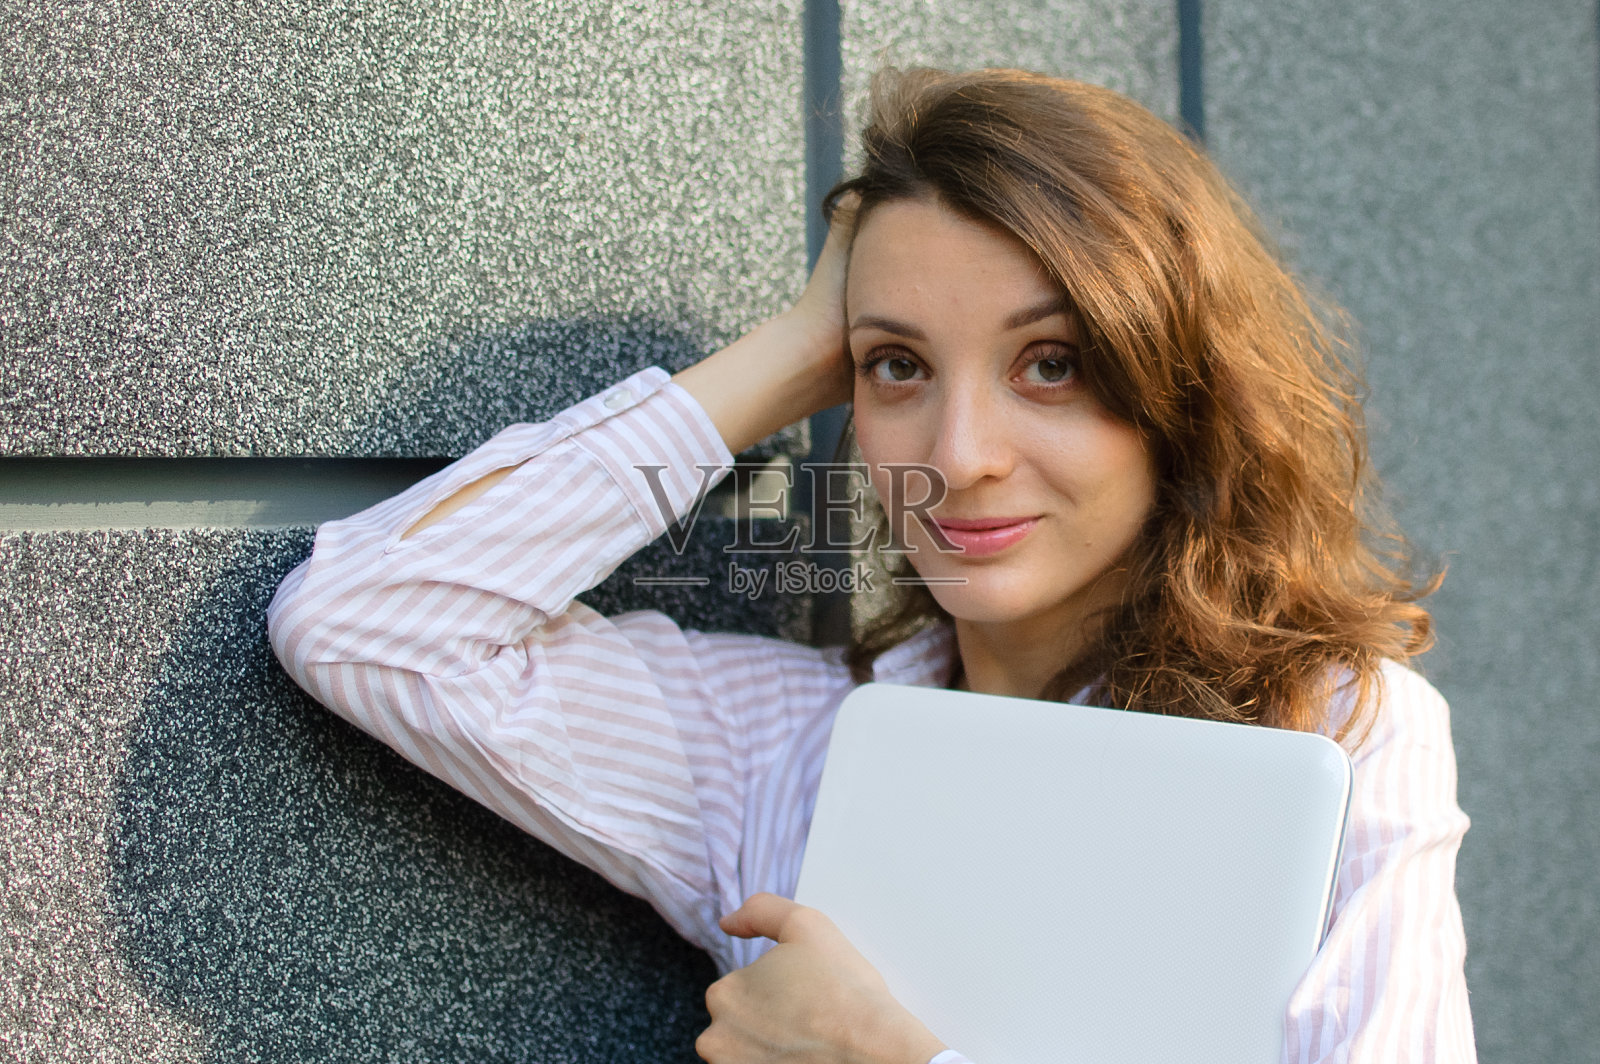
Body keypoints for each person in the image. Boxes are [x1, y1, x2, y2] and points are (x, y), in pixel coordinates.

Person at [267, 68, 1475, 1063]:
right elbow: (364, 619)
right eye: (898, 367)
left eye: (1048, 362)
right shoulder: (787, 749)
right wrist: (800, 347)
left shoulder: (1334, 730)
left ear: (1179, 388)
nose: (956, 456)